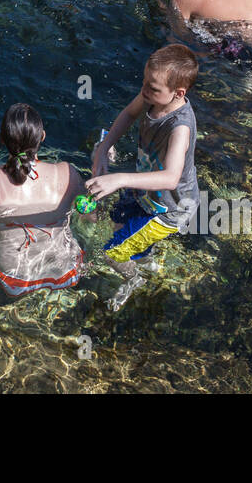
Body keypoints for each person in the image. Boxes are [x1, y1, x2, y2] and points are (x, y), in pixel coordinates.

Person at [87, 45, 201, 311]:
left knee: (113, 253)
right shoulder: (152, 97)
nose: (144, 90)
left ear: (178, 93)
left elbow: (172, 178)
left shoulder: (179, 127)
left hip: (169, 209)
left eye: (152, 87)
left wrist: (118, 179)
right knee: (117, 221)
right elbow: (128, 114)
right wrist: (103, 149)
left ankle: (135, 279)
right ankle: (145, 257)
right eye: (144, 82)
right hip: (146, 190)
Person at [0, 103, 85, 296]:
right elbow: (92, 215)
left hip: (16, 280)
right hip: (66, 271)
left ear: (2, 139)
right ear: (42, 137)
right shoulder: (68, 173)